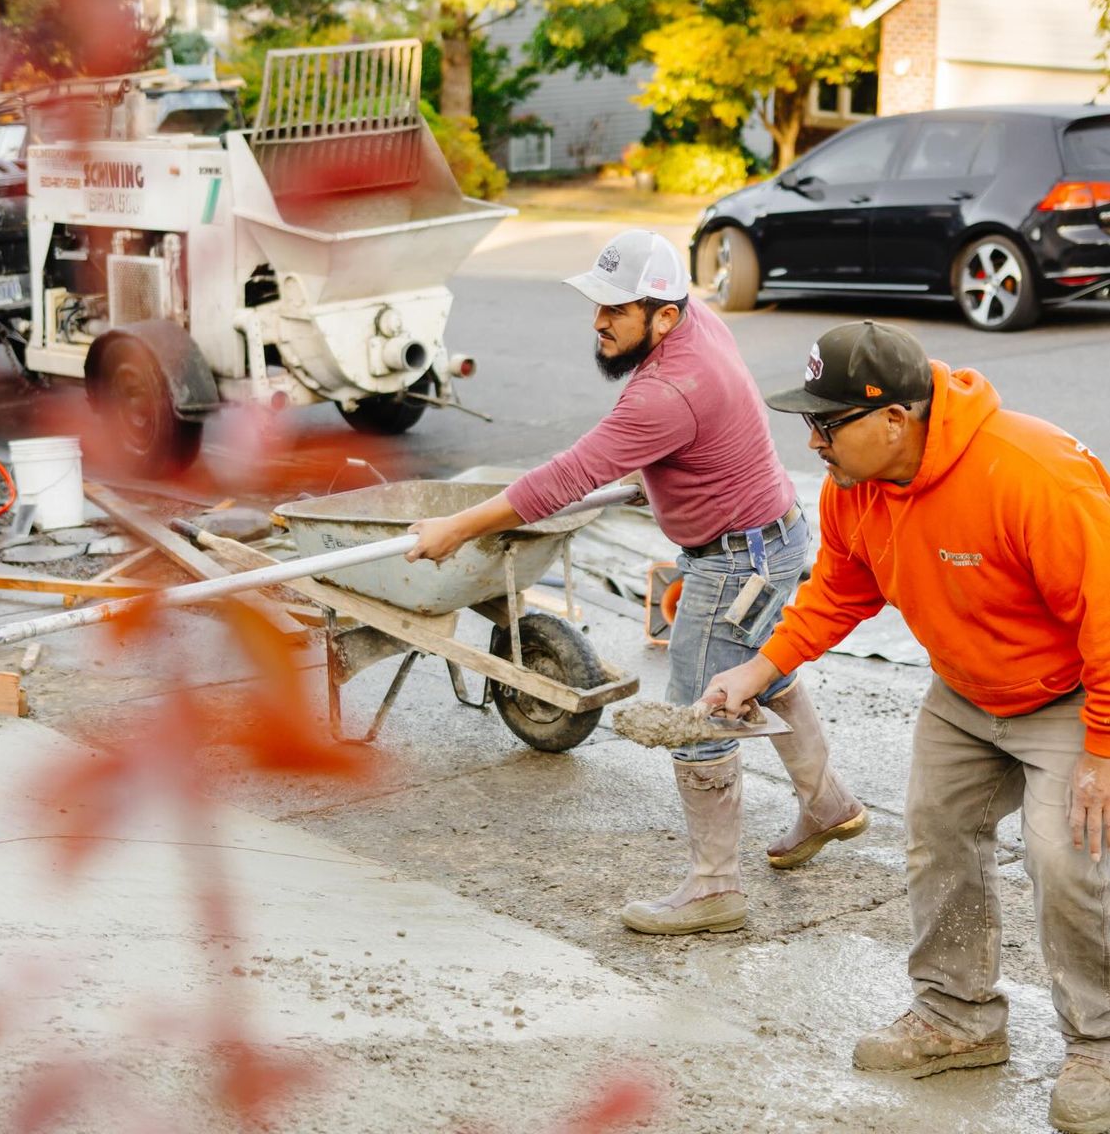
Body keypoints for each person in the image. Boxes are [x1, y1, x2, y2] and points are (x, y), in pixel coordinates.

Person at [699, 319, 1110, 1133]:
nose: (811, 440)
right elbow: (838, 590)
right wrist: (759, 667)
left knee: (1063, 860)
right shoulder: (852, 485)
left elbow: (1106, 614)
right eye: (807, 423)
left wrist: (1100, 746)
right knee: (935, 834)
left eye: (826, 422)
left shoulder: (1030, 475)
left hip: (1069, 695)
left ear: (894, 419)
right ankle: (956, 1018)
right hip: (963, 692)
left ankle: (1099, 1042)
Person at [406, 228, 867, 936]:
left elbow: (565, 478)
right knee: (761, 676)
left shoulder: (665, 392)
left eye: (614, 310)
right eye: (597, 305)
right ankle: (828, 804)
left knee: (701, 712)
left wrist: (456, 527)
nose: (597, 322)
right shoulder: (694, 326)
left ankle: (714, 889)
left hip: (734, 561)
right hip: (768, 537)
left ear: (663, 316)